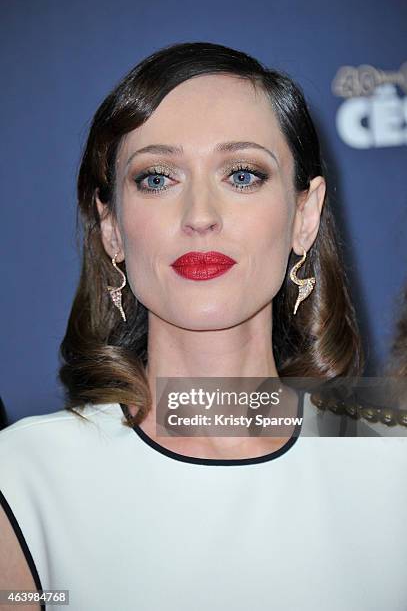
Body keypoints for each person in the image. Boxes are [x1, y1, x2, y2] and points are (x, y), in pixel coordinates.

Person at [0, 41, 406, 611]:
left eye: (242, 174)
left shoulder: (393, 467)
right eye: (157, 178)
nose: (199, 217)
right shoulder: (22, 481)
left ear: (305, 215)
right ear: (111, 227)